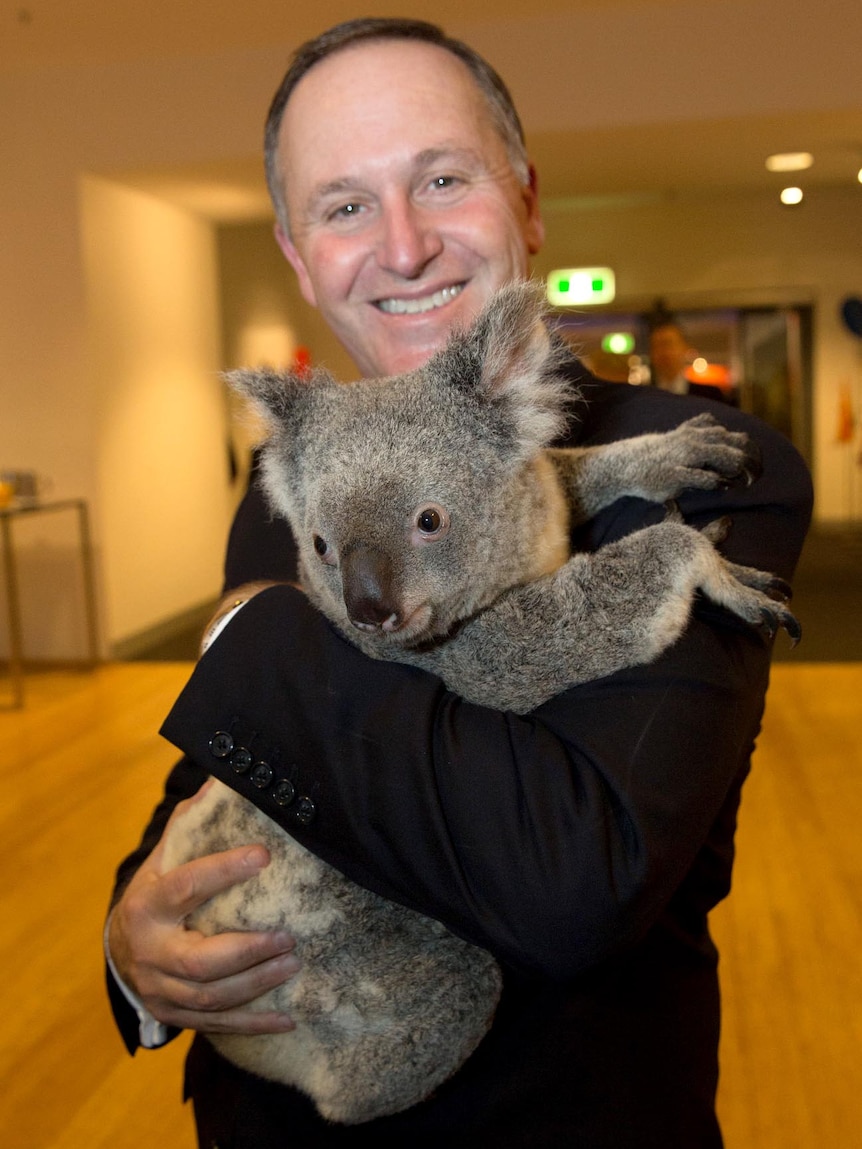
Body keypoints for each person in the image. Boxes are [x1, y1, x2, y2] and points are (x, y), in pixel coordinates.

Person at [106, 18, 812, 1148]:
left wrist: (260, 641)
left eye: (440, 178)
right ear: (297, 253)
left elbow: (573, 877)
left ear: (526, 203)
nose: (404, 245)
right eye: (343, 206)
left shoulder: (709, 469)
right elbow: (220, 785)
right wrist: (132, 935)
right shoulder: (295, 476)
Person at [649, 320, 730, 402]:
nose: (663, 352)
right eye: (656, 346)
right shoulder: (644, 397)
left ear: (684, 348)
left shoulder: (709, 395)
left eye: (668, 344)